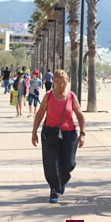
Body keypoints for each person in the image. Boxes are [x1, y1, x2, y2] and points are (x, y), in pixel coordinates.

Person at [32, 69, 86, 203]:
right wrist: (34, 133)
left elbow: (80, 115)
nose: (61, 85)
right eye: (58, 83)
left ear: (67, 81)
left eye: (63, 82)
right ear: (53, 82)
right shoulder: (49, 96)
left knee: (69, 163)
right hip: (50, 133)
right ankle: (55, 189)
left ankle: (61, 181)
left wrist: (82, 133)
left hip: (69, 134)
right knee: (52, 164)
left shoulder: (71, 96)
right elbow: (39, 114)